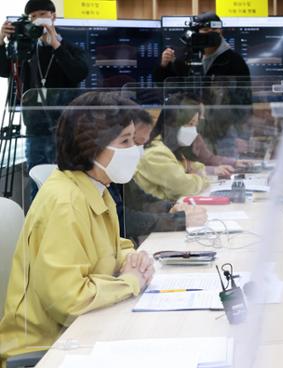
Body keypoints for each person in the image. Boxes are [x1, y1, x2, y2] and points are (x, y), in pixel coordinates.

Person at [0, 92, 155, 364]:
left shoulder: (95, 187)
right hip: (47, 349)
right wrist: (130, 282)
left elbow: (111, 247)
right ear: (91, 147)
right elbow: (69, 300)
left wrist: (132, 259)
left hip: (80, 333)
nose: (135, 150)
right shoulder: (65, 202)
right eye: (125, 141)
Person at [0, 0, 89, 198]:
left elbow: (79, 72)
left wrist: (56, 44)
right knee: (39, 185)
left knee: (71, 184)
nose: (36, 20)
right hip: (36, 129)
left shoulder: (68, 47)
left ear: (53, 16)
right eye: (32, 17)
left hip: (66, 129)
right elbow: (4, 70)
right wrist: (1, 42)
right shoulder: (26, 49)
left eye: (41, 14)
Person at [153, 13, 252, 158]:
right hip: (186, 128)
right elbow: (167, 86)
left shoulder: (234, 60)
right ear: (196, 32)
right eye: (206, 31)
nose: (210, 36)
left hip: (221, 132)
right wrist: (164, 65)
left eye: (214, 32)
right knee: (189, 171)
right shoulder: (187, 56)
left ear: (221, 32)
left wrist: (243, 136)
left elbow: (244, 101)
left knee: (222, 172)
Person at [106, 105, 208, 245]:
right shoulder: (153, 153)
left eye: (142, 143)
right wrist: (177, 221)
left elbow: (139, 199)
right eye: (127, 141)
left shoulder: (116, 173)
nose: (136, 150)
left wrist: (170, 207)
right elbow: (124, 219)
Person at [133, 93, 211, 201]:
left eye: (195, 125)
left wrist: (190, 177)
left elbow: (197, 167)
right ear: (173, 123)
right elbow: (183, 187)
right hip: (157, 213)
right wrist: (200, 179)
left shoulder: (172, 147)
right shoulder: (155, 153)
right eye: (189, 124)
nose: (193, 130)